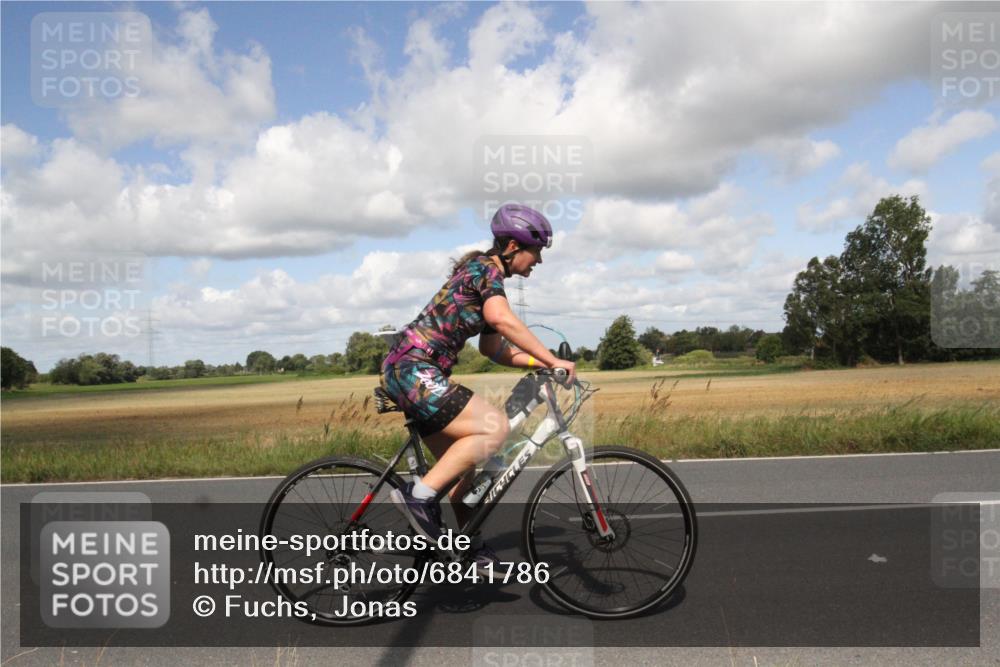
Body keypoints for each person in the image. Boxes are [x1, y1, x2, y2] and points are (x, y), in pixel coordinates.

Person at [380, 203, 576, 572]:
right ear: (514, 247)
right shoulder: (485, 271)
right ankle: (417, 499)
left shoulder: (484, 279)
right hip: (413, 369)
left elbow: (493, 348)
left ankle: (465, 548)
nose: (539, 261)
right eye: (537, 252)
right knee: (494, 428)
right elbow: (502, 319)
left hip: (415, 372)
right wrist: (553, 359)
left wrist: (538, 365)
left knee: (465, 477)